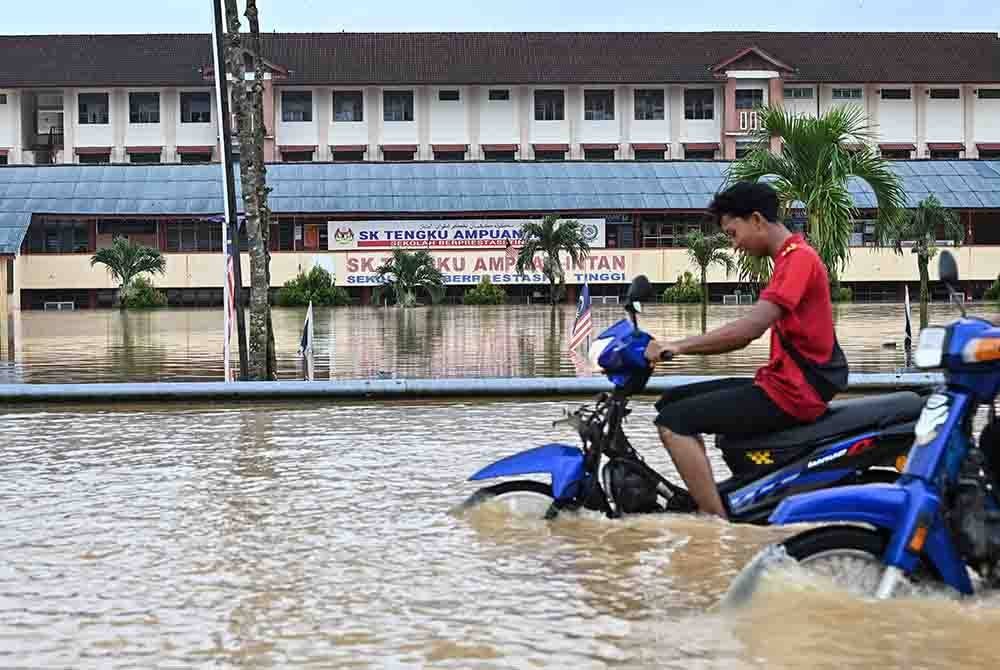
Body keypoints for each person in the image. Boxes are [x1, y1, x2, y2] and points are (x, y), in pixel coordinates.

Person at [644, 181, 847, 519]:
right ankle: (724, 494)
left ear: (756, 220)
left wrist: (677, 346)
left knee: (673, 422)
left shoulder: (798, 261)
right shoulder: (788, 259)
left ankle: (714, 523)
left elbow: (749, 330)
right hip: (780, 383)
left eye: (732, 233)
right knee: (671, 402)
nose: (734, 245)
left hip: (795, 393)